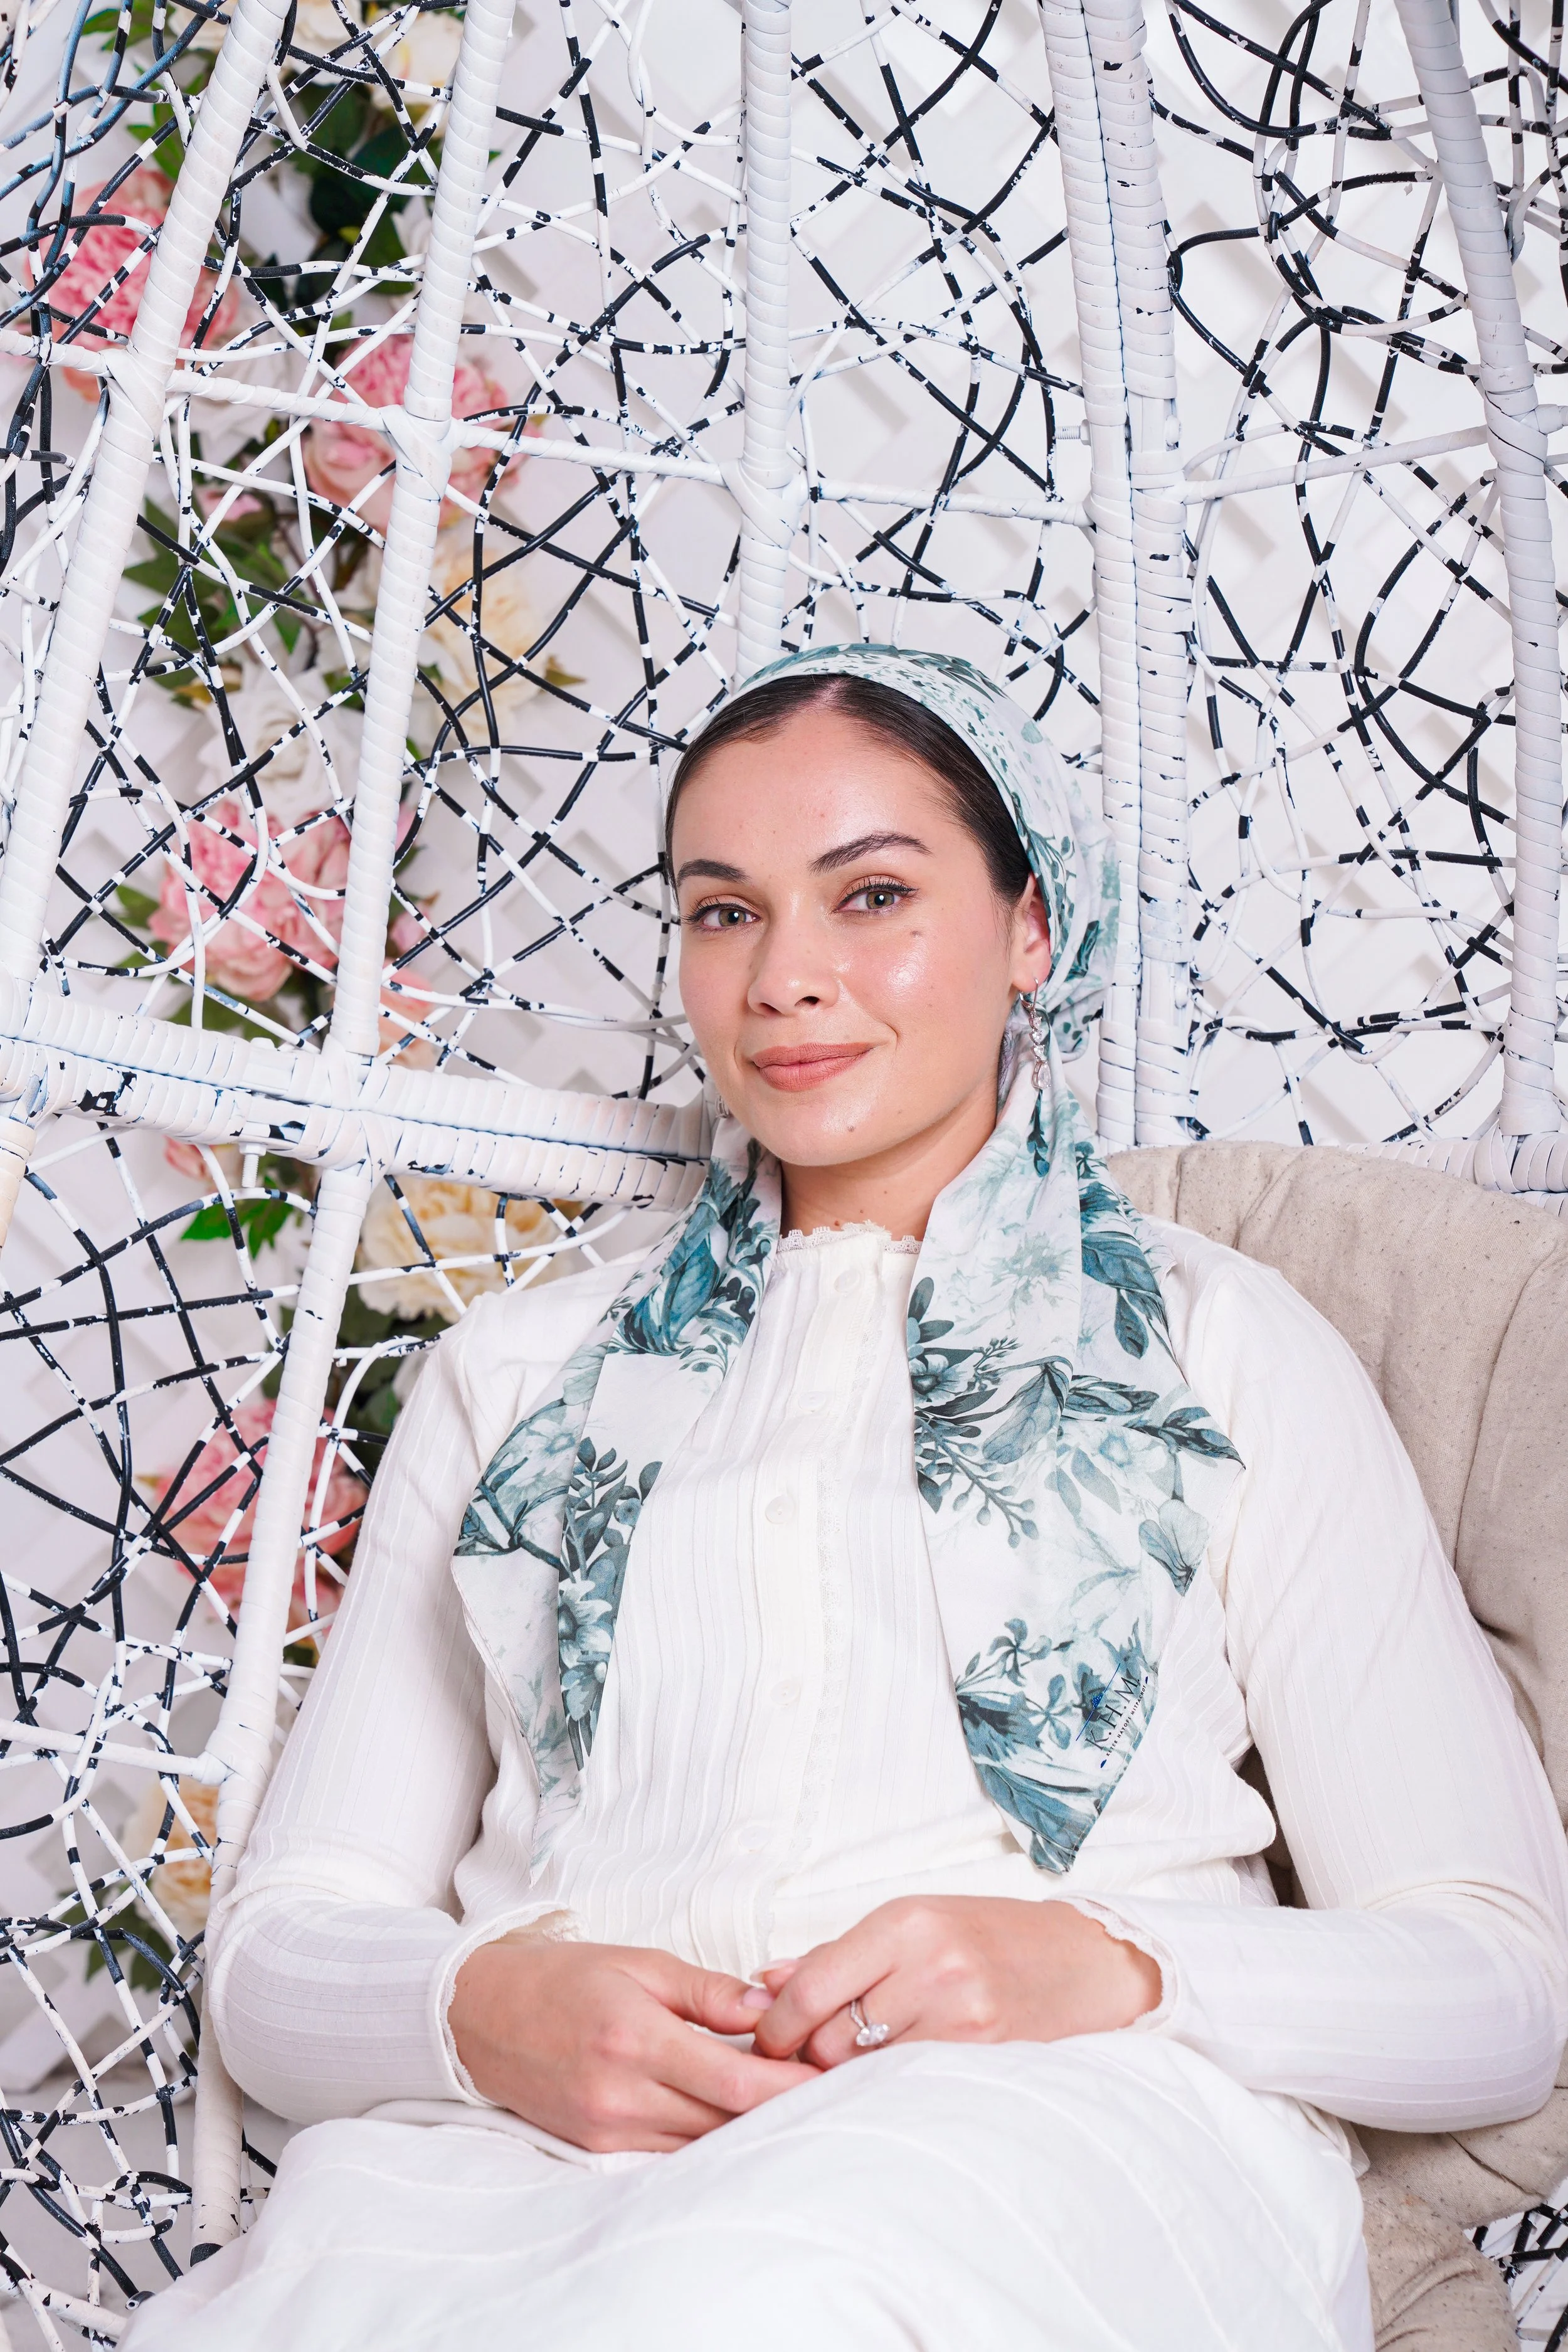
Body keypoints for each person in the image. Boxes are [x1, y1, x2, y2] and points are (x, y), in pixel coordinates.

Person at [125, 647, 1568, 2352]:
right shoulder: (514, 1376)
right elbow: (278, 1955)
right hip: (517, 2172)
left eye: (871, 893)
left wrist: (1107, 1962)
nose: (786, 978)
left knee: (746, 2303)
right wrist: (480, 2006)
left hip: (1050, 2147)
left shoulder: (1217, 1346)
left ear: (1032, 927)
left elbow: (1499, 1985)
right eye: (723, 911)